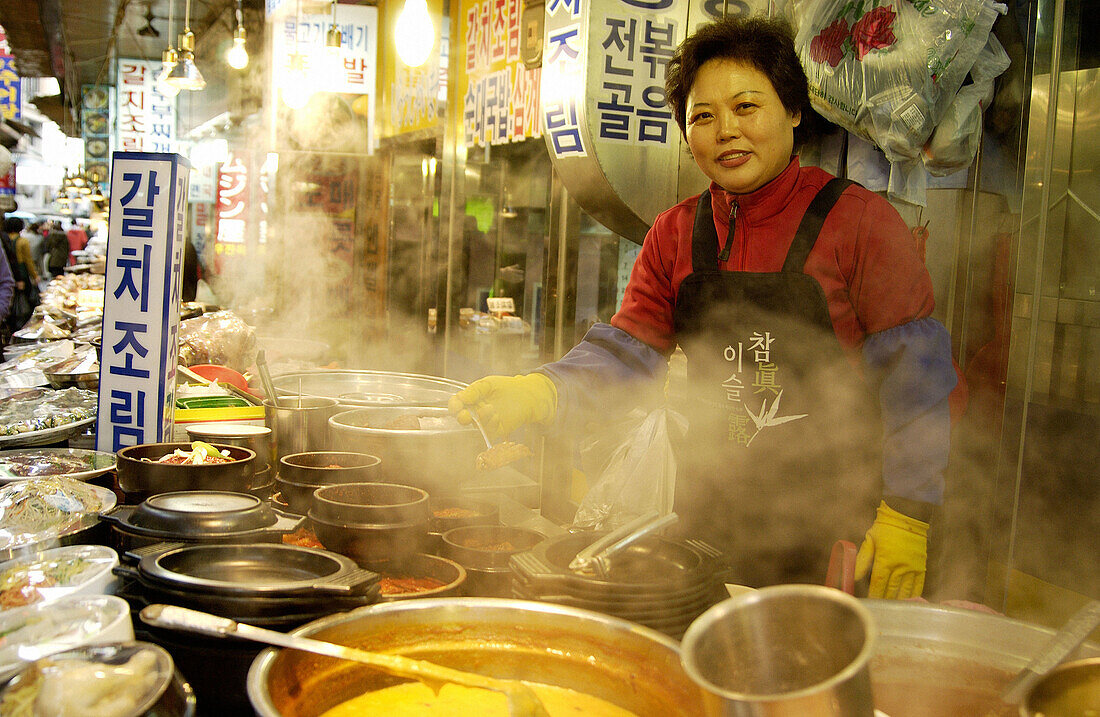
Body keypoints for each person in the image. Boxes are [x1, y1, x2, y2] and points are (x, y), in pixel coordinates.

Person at [449, 15, 957, 598]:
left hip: (838, 529)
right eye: (703, 117)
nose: (726, 132)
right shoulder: (676, 233)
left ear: (792, 110)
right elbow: (629, 353)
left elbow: (916, 378)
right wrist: (544, 390)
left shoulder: (859, 222)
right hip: (709, 520)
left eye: (746, 107)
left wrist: (907, 512)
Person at [1, 217, 39, 330]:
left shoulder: (4, 238)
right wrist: (35, 276)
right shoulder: (22, 241)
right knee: (24, 304)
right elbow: (28, 261)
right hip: (21, 274)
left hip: (11, 275)